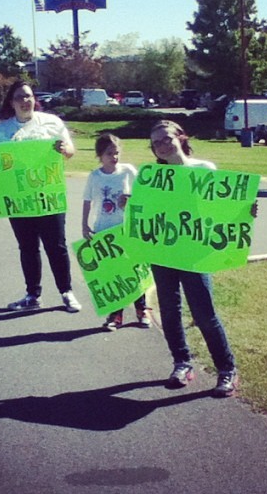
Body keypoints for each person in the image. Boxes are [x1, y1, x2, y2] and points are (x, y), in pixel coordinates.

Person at [148, 119, 251, 396]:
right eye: (155, 143)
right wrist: (129, 203)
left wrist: (244, 210)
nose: (162, 146)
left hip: (195, 253)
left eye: (166, 138)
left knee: (204, 313)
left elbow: (222, 209)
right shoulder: (152, 179)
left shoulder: (204, 169)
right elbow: (145, 215)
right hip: (163, 252)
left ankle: (227, 370)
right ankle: (182, 363)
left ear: (180, 137)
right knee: (169, 312)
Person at [0, 80, 82, 313]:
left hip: (48, 196)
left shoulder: (51, 122)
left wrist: (63, 150)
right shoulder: (3, 129)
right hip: (19, 200)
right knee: (27, 247)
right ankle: (32, 294)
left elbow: (70, 151)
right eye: (19, 97)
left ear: (34, 98)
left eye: (28, 96)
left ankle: (66, 292)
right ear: (11, 102)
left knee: (56, 246)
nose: (25, 101)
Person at [82, 133, 152, 331]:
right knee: (113, 274)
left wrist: (131, 199)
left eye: (116, 153)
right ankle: (115, 315)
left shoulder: (128, 171)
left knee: (135, 271)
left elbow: (143, 194)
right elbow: (87, 201)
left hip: (127, 230)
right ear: (99, 155)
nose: (114, 157)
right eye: (109, 153)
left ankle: (141, 310)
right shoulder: (95, 176)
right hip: (105, 231)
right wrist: (84, 225)